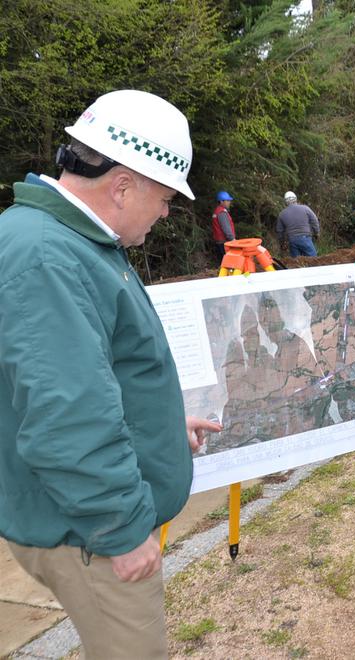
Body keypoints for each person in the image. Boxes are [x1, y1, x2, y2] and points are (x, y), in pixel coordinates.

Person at [0, 89, 221, 659]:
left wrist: (164, 425)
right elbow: (65, 416)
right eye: (167, 197)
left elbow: (95, 374)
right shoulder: (48, 256)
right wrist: (119, 530)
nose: (167, 212)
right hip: (91, 539)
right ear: (123, 185)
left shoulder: (73, 241)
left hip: (87, 525)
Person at [277, 190, 320, 257]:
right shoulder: (305, 208)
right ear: (295, 199)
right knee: (313, 260)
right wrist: (316, 233)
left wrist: (282, 243)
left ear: (286, 201)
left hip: (292, 241)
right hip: (305, 238)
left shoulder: (282, 214)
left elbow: (280, 231)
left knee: (296, 263)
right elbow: (314, 221)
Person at [211, 190, 236, 259]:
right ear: (221, 201)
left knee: (223, 263)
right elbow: (226, 228)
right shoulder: (222, 213)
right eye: (227, 200)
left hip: (220, 242)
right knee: (229, 264)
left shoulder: (217, 211)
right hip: (225, 242)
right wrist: (233, 239)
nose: (229, 202)